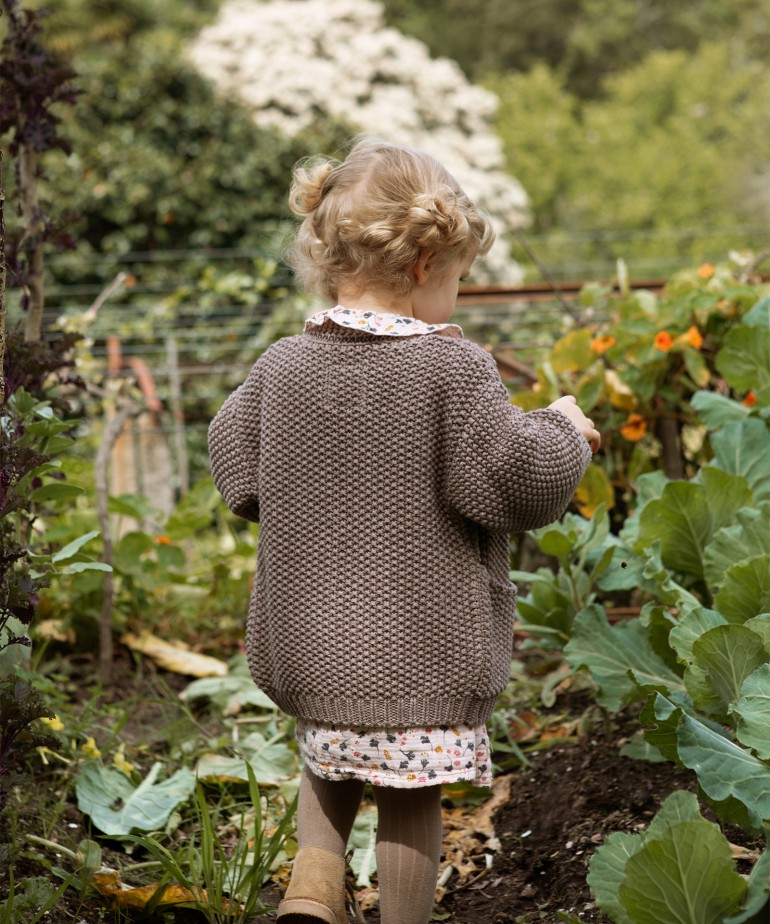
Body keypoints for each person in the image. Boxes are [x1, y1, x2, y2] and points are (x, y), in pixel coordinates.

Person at [208, 136, 600, 924]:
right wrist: (563, 431)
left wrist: (303, 491)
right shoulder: (450, 370)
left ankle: (310, 903)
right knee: (408, 793)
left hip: (311, 645)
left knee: (331, 762)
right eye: (457, 279)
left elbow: (235, 464)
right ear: (426, 267)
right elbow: (513, 481)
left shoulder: (283, 365)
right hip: (419, 651)